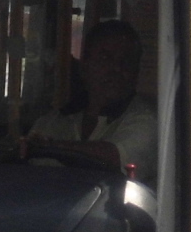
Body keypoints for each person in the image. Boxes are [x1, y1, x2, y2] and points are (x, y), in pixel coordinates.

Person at [25, 19, 158, 179]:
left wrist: (49, 147)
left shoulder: (147, 120)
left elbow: (113, 158)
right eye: (105, 59)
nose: (116, 69)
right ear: (84, 67)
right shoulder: (52, 122)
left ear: (136, 72)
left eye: (126, 61)